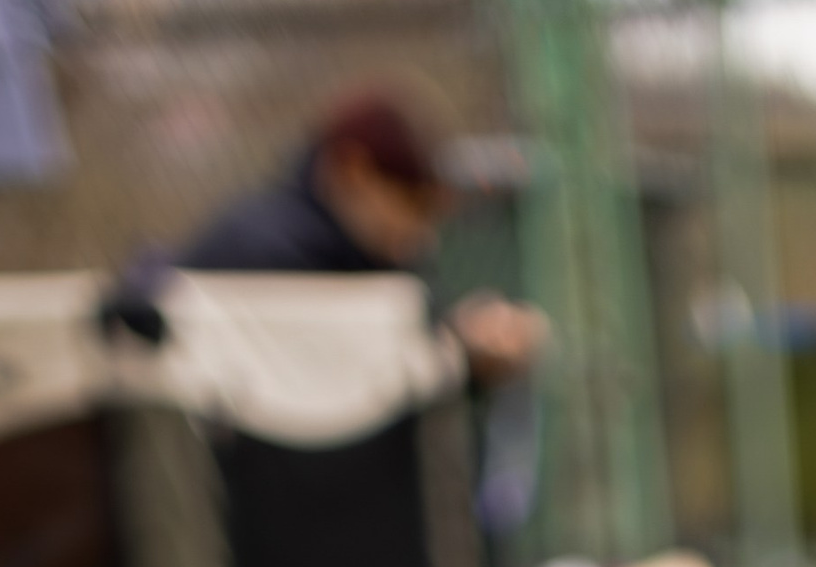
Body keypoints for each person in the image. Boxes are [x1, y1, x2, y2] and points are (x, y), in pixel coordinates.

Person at [173, 87, 545, 395]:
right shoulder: (260, 245)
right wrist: (455, 348)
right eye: (412, 204)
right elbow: (337, 361)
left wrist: (467, 339)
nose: (421, 233)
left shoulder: (366, 252)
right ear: (357, 172)